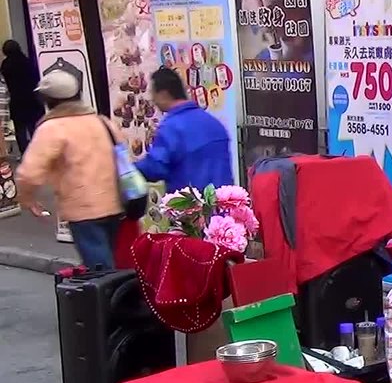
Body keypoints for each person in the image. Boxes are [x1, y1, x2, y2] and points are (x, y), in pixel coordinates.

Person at [15, 69, 124, 269]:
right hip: (117, 203)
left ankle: (111, 289)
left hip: (83, 209)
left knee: (101, 271)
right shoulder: (102, 121)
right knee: (114, 261)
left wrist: (27, 199)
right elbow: (123, 155)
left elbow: (29, 173)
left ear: (47, 100)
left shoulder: (52, 128)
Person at [134, 67, 233, 190]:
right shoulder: (214, 123)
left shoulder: (171, 128)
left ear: (163, 94)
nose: (153, 101)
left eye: (154, 95)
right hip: (222, 200)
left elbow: (155, 167)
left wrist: (126, 170)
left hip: (190, 201)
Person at [1, 40, 41, 154]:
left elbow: (6, 81)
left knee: (20, 129)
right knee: (33, 126)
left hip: (16, 100)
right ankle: (37, 150)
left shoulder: (6, 65)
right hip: (31, 99)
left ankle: (24, 152)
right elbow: (36, 78)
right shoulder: (28, 62)